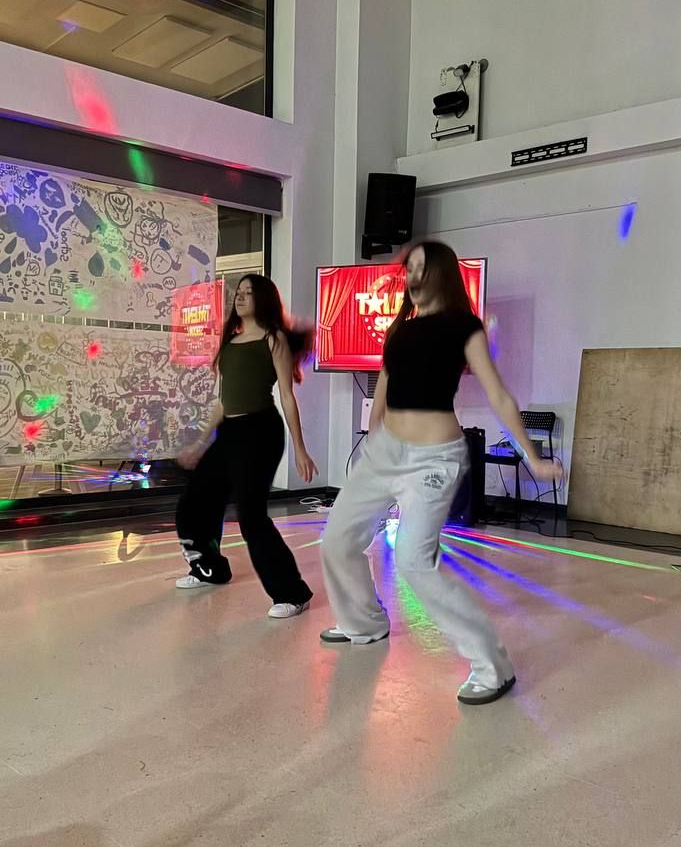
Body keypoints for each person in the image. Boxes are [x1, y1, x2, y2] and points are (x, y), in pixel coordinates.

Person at [320, 241, 562, 704]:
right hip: (385, 452)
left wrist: (532, 457)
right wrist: (373, 439)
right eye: (408, 268)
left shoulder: (463, 327)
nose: (411, 276)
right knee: (337, 540)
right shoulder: (400, 330)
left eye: (420, 268)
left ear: (441, 275)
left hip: (434, 458)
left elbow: (499, 395)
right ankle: (364, 622)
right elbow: (384, 388)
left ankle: (493, 667)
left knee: (413, 561)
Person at [175, 274, 317, 619]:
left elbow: (287, 395)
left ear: (263, 299)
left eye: (248, 293)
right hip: (230, 431)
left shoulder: (273, 338)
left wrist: (300, 448)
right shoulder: (231, 341)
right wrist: (201, 442)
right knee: (194, 503)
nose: (240, 297)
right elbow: (225, 401)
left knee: (251, 517)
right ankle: (210, 568)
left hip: (260, 432)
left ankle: (293, 593)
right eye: (238, 292)